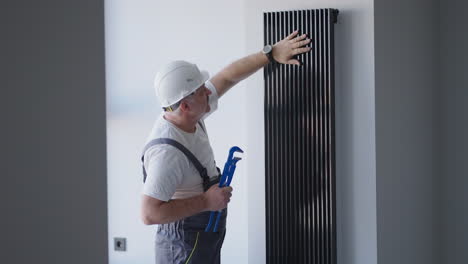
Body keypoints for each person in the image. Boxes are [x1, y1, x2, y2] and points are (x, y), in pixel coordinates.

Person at [140, 30, 311, 264]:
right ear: (185, 106)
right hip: (182, 248)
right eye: (202, 92)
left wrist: (271, 54)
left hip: (202, 236)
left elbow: (228, 76)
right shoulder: (167, 153)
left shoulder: (189, 114)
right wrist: (206, 202)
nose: (209, 92)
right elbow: (149, 214)